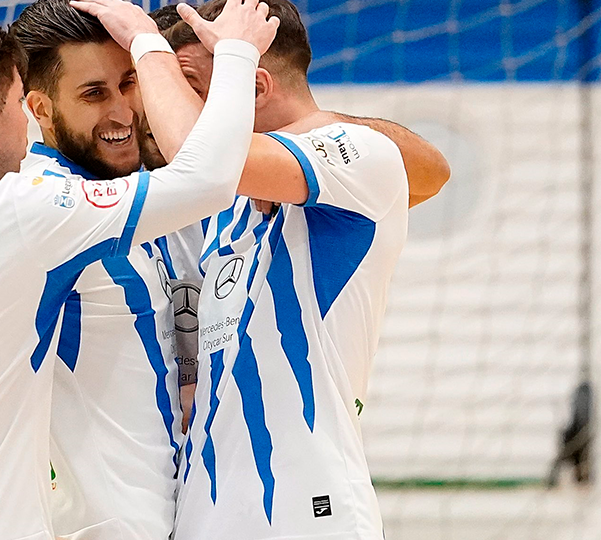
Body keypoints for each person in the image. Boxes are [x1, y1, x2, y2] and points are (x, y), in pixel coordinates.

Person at [0, 7, 277, 539]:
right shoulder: (17, 212)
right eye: (18, 104)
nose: (26, 122)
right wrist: (236, 51)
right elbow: (210, 178)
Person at [72, 0, 434, 537]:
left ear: (255, 85)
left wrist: (147, 41)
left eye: (190, 83)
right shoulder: (229, 207)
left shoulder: (360, 153)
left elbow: (209, 157)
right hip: (207, 515)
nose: (155, 108)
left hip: (305, 509)